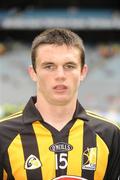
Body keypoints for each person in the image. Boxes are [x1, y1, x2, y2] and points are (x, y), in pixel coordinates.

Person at [0, 28, 120, 180]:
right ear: (33, 73)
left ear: (83, 72)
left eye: (69, 66)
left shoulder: (109, 134)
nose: (60, 75)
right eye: (49, 66)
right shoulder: (3, 135)